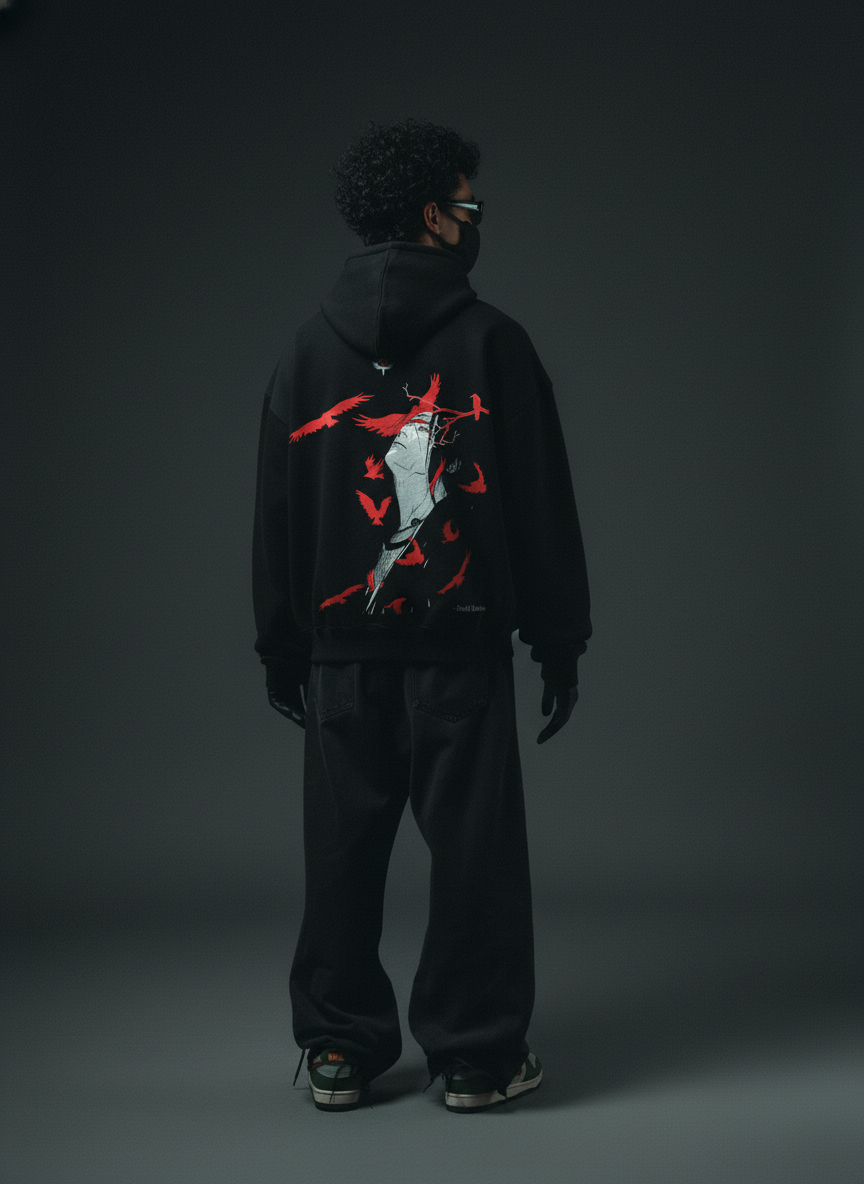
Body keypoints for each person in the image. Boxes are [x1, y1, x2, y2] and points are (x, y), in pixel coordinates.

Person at [252, 119, 591, 1113]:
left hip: (339, 654)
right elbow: (539, 502)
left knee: (340, 855)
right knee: (476, 855)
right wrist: (559, 637)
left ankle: (338, 1047)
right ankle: (476, 1055)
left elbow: (277, 509)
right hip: (459, 649)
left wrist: (282, 643)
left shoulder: (306, 350)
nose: (478, 219)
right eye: (470, 202)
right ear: (437, 216)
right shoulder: (494, 343)